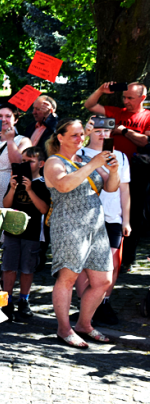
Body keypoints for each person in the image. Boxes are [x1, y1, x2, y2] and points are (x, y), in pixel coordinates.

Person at [44, 119, 119, 348]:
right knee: (67, 278)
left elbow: (111, 187)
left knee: (103, 280)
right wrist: (93, 164)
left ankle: (84, 325)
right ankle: (64, 329)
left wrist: (113, 171)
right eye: (75, 135)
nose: (80, 139)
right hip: (68, 224)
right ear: (60, 137)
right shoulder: (54, 162)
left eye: (81, 135)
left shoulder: (87, 160)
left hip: (95, 225)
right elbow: (64, 185)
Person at [84, 81, 150, 272]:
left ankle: (127, 259)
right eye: (124, 97)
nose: (126, 101)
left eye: (130, 98)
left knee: (133, 213)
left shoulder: (147, 116)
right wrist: (100, 90)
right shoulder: (116, 111)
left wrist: (122, 130)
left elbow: (145, 141)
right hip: (107, 164)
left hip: (137, 169)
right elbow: (89, 105)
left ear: (142, 98)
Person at [77, 116, 131, 325]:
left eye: (106, 130)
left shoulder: (121, 157)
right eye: (97, 130)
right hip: (85, 217)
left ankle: (104, 303)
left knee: (112, 264)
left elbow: (125, 190)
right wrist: (84, 135)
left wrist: (126, 220)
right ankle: (85, 306)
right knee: (83, 264)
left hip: (112, 217)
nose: (102, 134)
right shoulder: (79, 153)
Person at [1, 146, 50, 321]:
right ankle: (6, 300)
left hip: (33, 233)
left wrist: (30, 190)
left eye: (30, 161)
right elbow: (5, 205)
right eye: (22, 161)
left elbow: (44, 208)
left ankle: (24, 299)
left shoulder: (43, 184)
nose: (25, 164)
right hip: (12, 230)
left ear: (41, 163)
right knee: (9, 266)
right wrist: (13, 188)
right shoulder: (15, 181)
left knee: (28, 268)